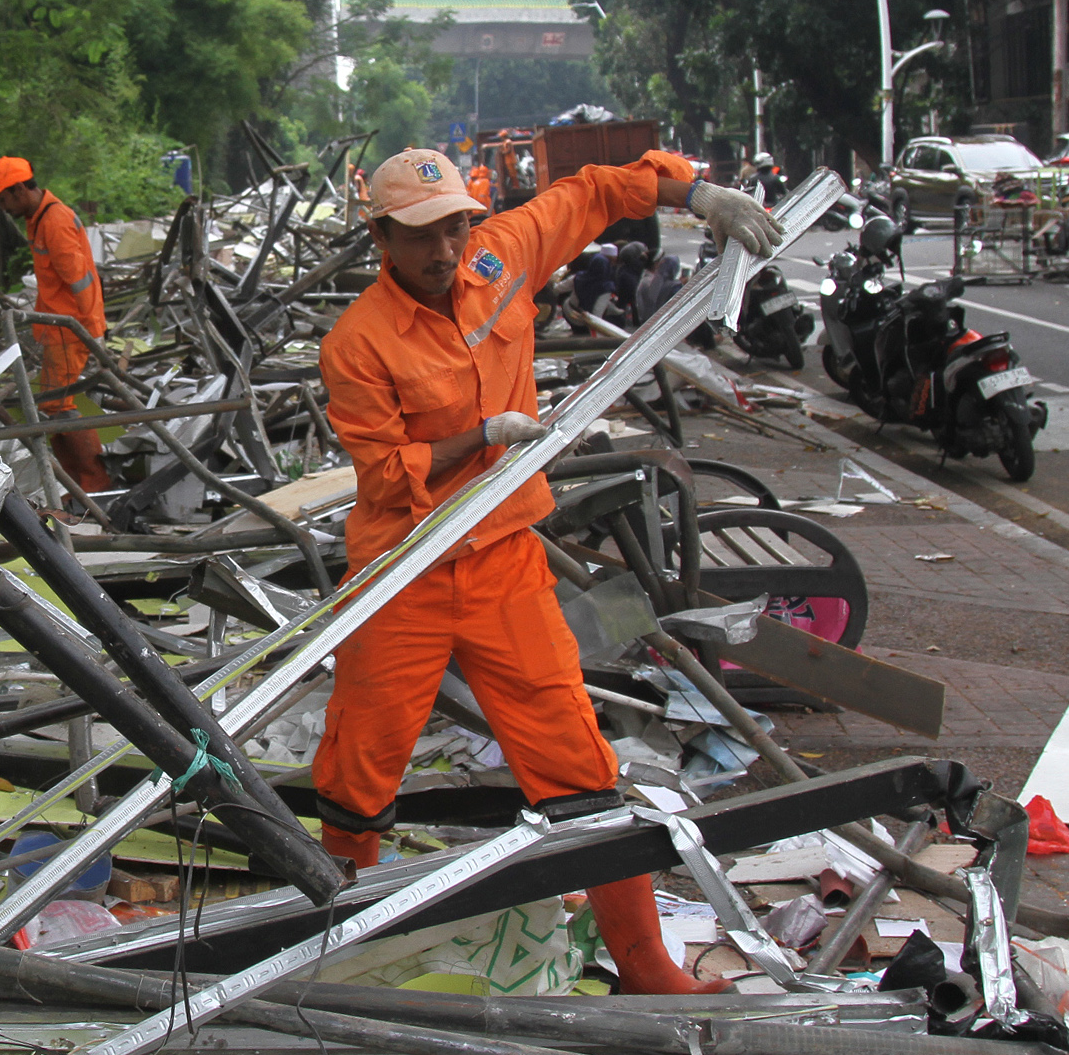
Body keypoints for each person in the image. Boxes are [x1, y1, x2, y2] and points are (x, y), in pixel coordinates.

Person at [312, 146, 780, 994]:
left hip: (502, 562)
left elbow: (596, 189)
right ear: (379, 234)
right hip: (401, 569)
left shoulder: (499, 258)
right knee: (358, 767)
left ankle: (645, 966)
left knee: (574, 759)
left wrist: (697, 193)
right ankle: (321, 953)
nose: (445, 251)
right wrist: (479, 438)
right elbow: (384, 475)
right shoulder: (357, 344)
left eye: (454, 226)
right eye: (421, 235)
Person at [0, 156, 110, 492]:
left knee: (58, 405)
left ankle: (94, 486)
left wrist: (93, 330)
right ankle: (82, 487)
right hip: (60, 328)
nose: (2, 206)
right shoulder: (39, 217)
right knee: (54, 405)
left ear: (20, 189)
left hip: (71, 329)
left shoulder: (54, 221)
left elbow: (80, 280)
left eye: (4, 198)